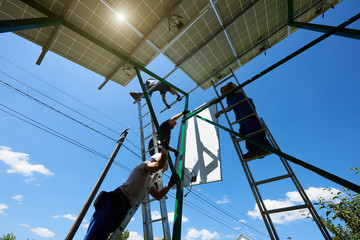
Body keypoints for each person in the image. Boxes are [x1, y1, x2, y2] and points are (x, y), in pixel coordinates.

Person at [83, 142, 178, 240]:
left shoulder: (148, 181)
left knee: (102, 234)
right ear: (153, 160)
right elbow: (159, 165)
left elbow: (158, 196)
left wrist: (169, 184)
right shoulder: (144, 165)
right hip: (114, 202)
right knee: (95, 234)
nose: (159, 172)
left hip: (121, 208)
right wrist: (165, 150)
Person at [215, 82, 271, 160]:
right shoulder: (229, 98)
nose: (222, 93)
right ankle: (253, 149)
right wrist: (220, 112)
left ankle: (264, 146)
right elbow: (229, 108)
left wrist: (221, 97)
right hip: (239, 112)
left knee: (252, 124)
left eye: (222, 91)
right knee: (244, 130)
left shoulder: (232, 87)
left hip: (244, 105)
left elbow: (229, 85)